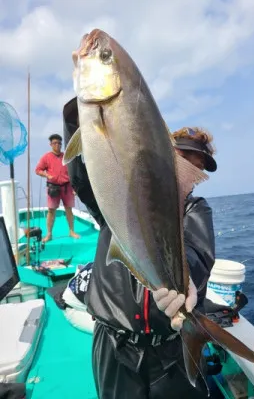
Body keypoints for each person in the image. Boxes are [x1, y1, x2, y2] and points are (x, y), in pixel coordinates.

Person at [63, 97, 218, 399]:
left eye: (198, 168)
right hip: (114, 344)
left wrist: (184, 284)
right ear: (165, 157)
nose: (191, 173)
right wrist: (77, 115)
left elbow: (198, 253)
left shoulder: (194, 209)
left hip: (171, 348)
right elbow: (82, 178)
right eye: (185, 159)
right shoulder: (117, 193)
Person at [35, 133, 80, 242]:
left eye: (59, 143)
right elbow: (38, 170)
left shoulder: (66, 156)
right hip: (53, 188)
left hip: (67, 187)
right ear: (51, 144)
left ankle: (71, 231)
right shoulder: (46, 157)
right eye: (55, 143)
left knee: (69, 210)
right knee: (51, 211)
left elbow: (72, 173)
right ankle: (49, 234)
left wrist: (74, 189)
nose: (58, 145)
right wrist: (46, 175)